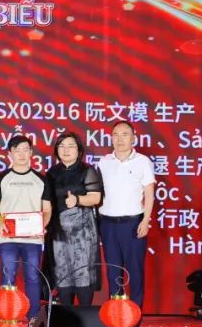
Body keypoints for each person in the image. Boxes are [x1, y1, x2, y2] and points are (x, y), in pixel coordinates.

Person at [0, 135, 53, 321]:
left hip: (33, 239)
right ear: (10, 154)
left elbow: (47, 209)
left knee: (33, 277)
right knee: (8, 277)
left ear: (31, 153)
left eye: (25, 150)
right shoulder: (0, 179)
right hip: (7, 238)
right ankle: (8, 317)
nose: (22, 154)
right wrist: (0, 223)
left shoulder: (41, 180)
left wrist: (41, 225)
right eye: (17, 151)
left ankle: (34, 318)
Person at [97, 120, 155, 317]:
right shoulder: (104, 162)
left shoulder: (143, 161)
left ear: (133, 138)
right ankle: (117, 318)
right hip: (108, 225)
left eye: (124, 134)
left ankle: (135, 320)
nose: (120, 139)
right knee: (114, 273)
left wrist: (145, 220)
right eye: (115, 135)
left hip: (133, 224)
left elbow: (149, 194)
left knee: (135, 272)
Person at [45, 131, 102, 306]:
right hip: (58, 230)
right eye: (61, 146)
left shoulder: (87, 170)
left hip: (82, 230)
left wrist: (77, 200)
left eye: (71, 146)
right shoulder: (51, 173)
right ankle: (67, 316)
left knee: (82, 271)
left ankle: (84, 316)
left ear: (79, 150)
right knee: (62, 271)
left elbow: (95, 198)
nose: (66, 150)